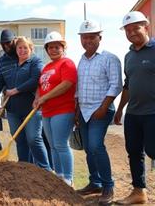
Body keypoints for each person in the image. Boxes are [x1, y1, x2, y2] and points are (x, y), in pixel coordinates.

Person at [74, 20, 122, 204]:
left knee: (95, 146)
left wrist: (103, 108)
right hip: (85, 111)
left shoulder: (109, 58)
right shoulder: (81, 60)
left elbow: (115, 85)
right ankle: (95, 182)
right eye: (84, 37)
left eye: (91, 37)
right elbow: (79, 87)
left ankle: (108, 186)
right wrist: (77, 111)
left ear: (99, 38)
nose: (87, 40)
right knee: (88, 149)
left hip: (101, 110)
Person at [0, 31, 51, 171]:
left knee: (34, 139)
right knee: (20, 140)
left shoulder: (34, 61)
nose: (22, 50)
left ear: (30, 49)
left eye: (25, 48)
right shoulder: (10, 63)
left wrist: (15, 90)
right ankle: (25, 169)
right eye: (19, 48)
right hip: (12, 109)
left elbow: (35, 80)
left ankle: (45, 170)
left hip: (31, 108)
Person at [114, 11, 155, 205]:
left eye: (135, 28)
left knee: (153, 150)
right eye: (128, 30)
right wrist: (120, 108)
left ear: (146, 27)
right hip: (133, 113)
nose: (131, 33)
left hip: (153, 112)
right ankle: (139, 192)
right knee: (134, 151)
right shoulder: (128, 56)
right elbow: (128, 85)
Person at [33, 31, 77, 186]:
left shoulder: (67, 63)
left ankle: (68, 178)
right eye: (50, 47)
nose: (53, 50)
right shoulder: (46, 67)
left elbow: (67, 84)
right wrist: (38, 97)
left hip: (63, 110)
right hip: (47, 111)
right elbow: (40, 85)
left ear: (63, 47)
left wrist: (45, 97)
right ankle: (58, 176)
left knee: (61, 144)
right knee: (52, 145)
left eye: (57, 46)